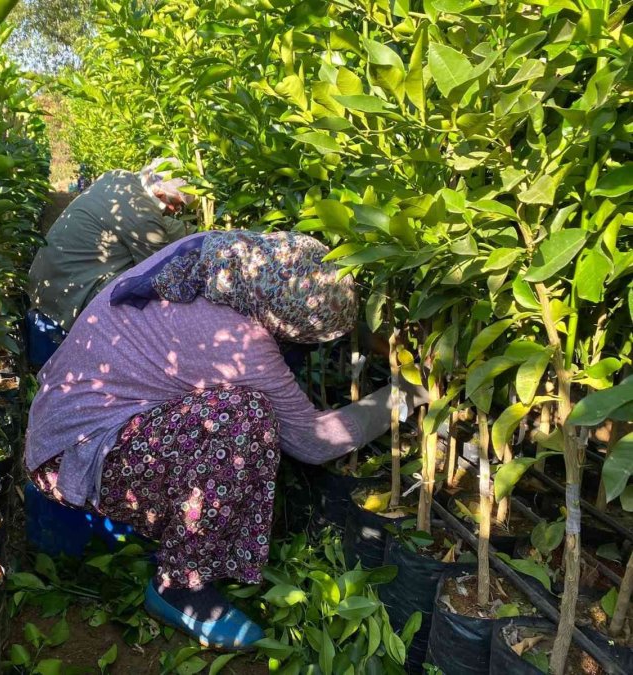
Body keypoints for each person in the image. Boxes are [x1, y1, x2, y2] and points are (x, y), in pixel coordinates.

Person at [24, 231, 427, 650]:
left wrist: (378, 339)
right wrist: (407, 394)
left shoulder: (221, 255)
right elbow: (315, 443)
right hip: (75, 455)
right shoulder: (240, 342)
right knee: (245, 416)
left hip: (65, 420)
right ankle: (179, 586)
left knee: (243, 409)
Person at [25, 158, 195, 366]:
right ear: (160, 194)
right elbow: (160, 275)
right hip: (68, 301)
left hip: (46, 284)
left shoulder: (118, 179)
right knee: (142, 295)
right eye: (177, 203)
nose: (176, 210)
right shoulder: (143, 215)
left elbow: (161, 226)